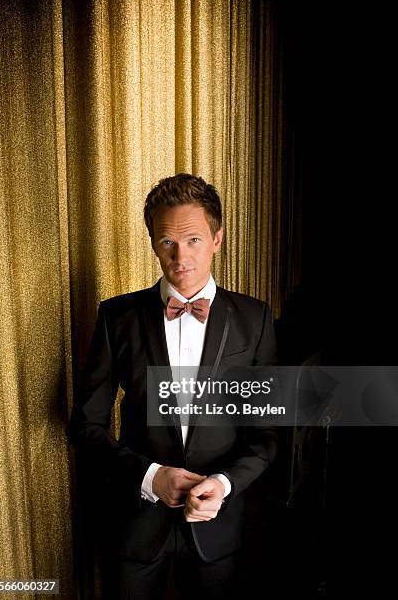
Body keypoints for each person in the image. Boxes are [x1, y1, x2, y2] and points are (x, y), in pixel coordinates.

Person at [67, 173, 278, 600]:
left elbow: (267, 432)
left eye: (194, 240)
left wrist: (223, 483)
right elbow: (85, 426)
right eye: (167, 242)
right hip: (135, 527)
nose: (180, 256)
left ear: (217, 239)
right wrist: (150, 477)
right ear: (152, 242)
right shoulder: (117, 317)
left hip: (220, 532)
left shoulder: (255, 319)